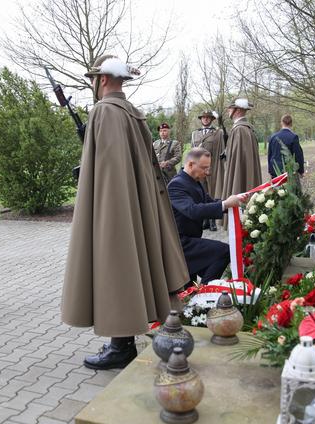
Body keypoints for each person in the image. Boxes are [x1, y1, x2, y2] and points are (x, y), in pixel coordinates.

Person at [61, 55, 189, 370]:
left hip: (114, 208)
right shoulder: (133, 113)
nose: (93, 84)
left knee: (116, 270)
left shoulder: (104, 111)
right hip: (135, 203)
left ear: (102, 79)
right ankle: (124, 341)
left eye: (94, 78)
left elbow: (105, 171)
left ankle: (121, 346)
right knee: (129, 268)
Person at [168, 148, 246, 284]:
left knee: (190, 282)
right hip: (180, 243)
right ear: (191, 164)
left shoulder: (194, 181)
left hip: (190, 240)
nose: (207, 172)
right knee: (223, 252)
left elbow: (209, 202)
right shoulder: (176, 185)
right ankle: (205, 292)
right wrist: (226, 204)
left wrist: (234, 203)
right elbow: (192, 210)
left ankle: (201, 293)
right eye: (204, 168)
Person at [221, 98, 262, 227]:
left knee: (240, 190)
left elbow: (239, 163)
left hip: (240, 177)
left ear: (237, 110)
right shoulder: (245, 128)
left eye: (230, 108)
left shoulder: (240, 129)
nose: (228, 110)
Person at [191, 110, 226, 231]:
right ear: (201, 119)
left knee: (212, 193)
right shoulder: (195, 134)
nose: (205, 119)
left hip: (212, 168)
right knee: (201, 193)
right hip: (198, 169)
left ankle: (212, 221)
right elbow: (192, 152)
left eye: (208, 117)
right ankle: (204, 220)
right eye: (203, 117)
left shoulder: (217, 133)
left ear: (212, 119)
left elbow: (221, 150)